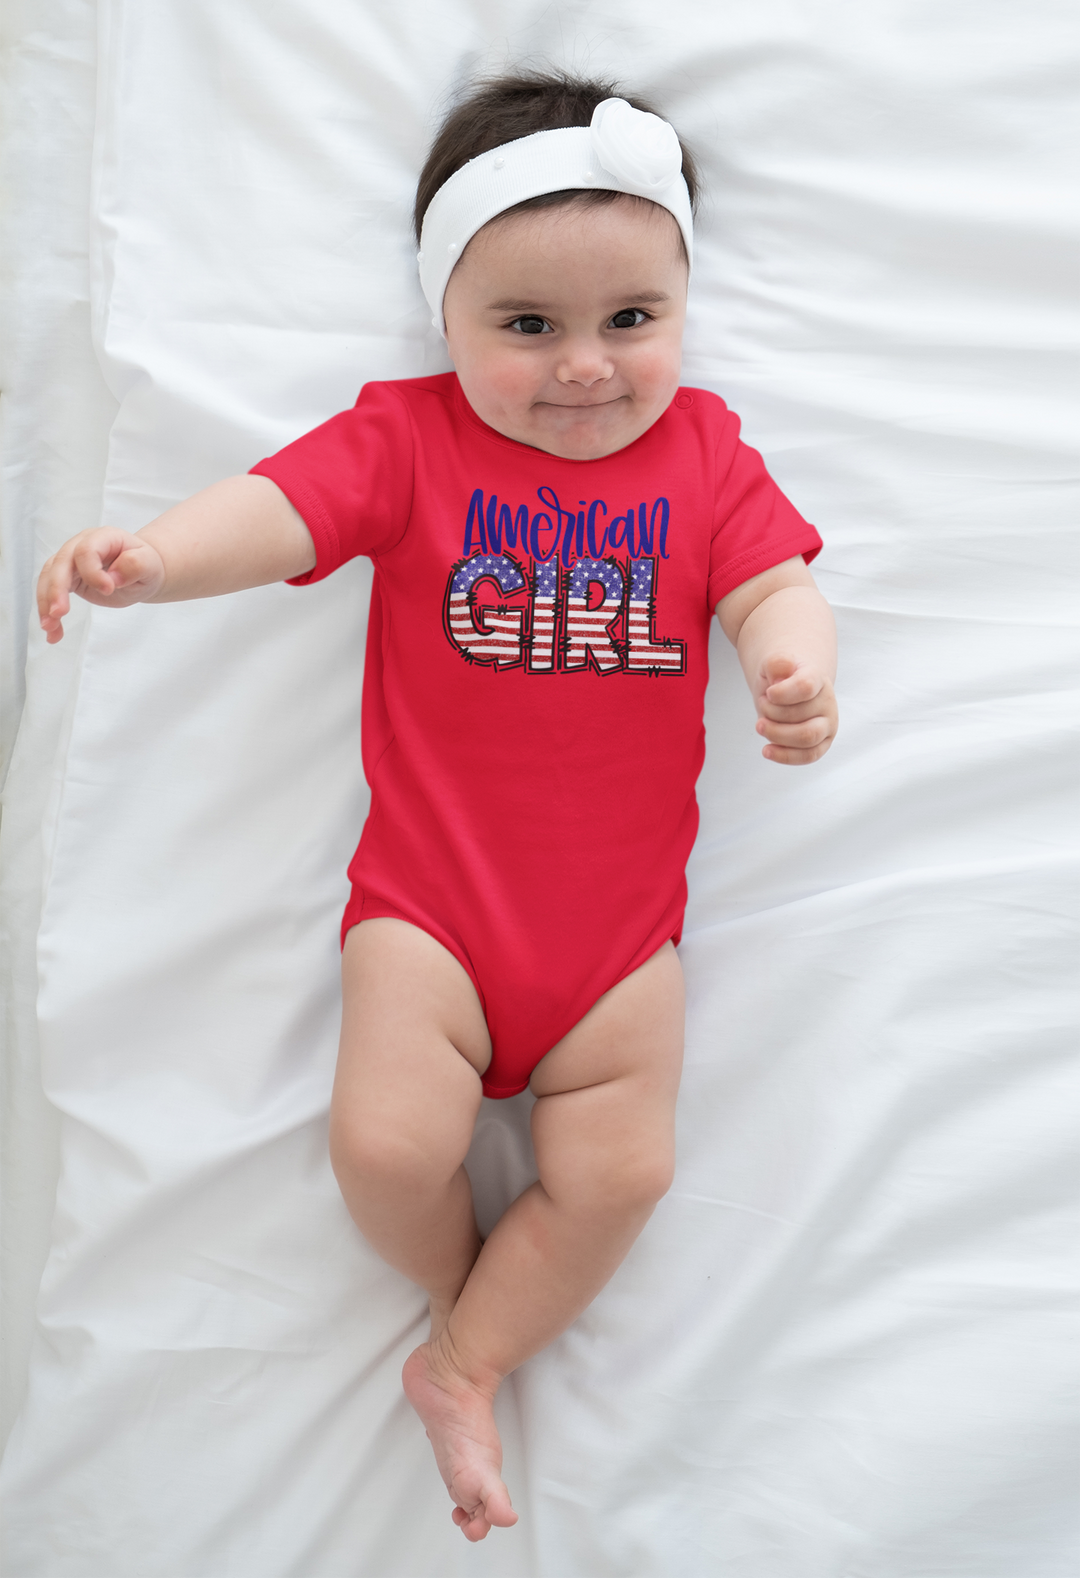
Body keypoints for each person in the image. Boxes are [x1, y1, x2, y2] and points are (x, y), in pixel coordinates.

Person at [36, 72, 838, 1541]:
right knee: (388, 1150)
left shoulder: (706, 453)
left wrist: (792, 666)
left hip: (616, 955)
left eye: (630, 321)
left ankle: (462, 1357)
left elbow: (779, 582)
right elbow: (278, 509)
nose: (585, 367)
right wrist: (152, 555)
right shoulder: (410, 441)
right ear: (445, 314)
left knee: (628, 1166)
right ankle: (453, 1275)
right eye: (526, 327)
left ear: (679, 308)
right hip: (433, 915)